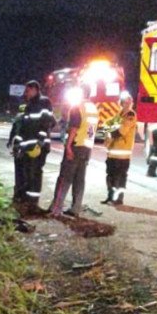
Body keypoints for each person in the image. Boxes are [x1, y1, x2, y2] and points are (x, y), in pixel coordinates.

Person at [49, 85, 99, 217]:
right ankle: (76, 208)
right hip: (87, 147)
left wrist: (68, 146)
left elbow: (74, 128)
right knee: (79, 179)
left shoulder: (78, 107)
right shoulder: (93, 108)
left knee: (64, 178)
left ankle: (56, 208)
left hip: (76, 146)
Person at [7, 80, 56, 204]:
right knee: (28, 174)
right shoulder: (29, 105)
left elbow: (48, 122)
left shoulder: (44, 102)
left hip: (38, 147)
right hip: (28, 147)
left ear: (35, 89)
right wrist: (17, 144)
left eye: (27, 91)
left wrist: (40, 142)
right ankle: (26, 200)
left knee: (35, 174)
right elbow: (22, 128)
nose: (25, 93)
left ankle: (33, 203)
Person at [102, 90, 137, 204]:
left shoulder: (130, 115)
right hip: (112, 152)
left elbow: (122, 131)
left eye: (129, 102)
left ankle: (118, 199)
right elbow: (106, 124)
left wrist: (109, 134)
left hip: (123, 154)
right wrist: (108, 131)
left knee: (120, 177)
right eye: (125, 102)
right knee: (110, 176)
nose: (127, 104)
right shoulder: (119, 115)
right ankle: (110, 197)